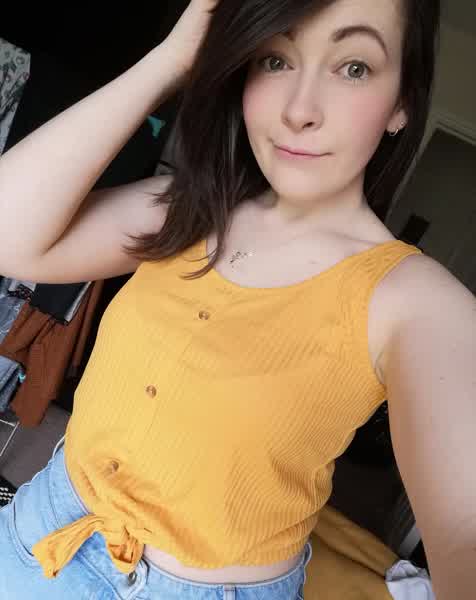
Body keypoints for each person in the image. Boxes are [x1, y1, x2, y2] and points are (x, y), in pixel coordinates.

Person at [0, 0, 474, 598]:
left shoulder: (415, 301)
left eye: (353, 67)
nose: (299, 110)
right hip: (38, 537)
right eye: (275, 59)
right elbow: (9, 237)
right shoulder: (187, 210)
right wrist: (174, 58)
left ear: (402, 101)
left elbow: (464, 529)